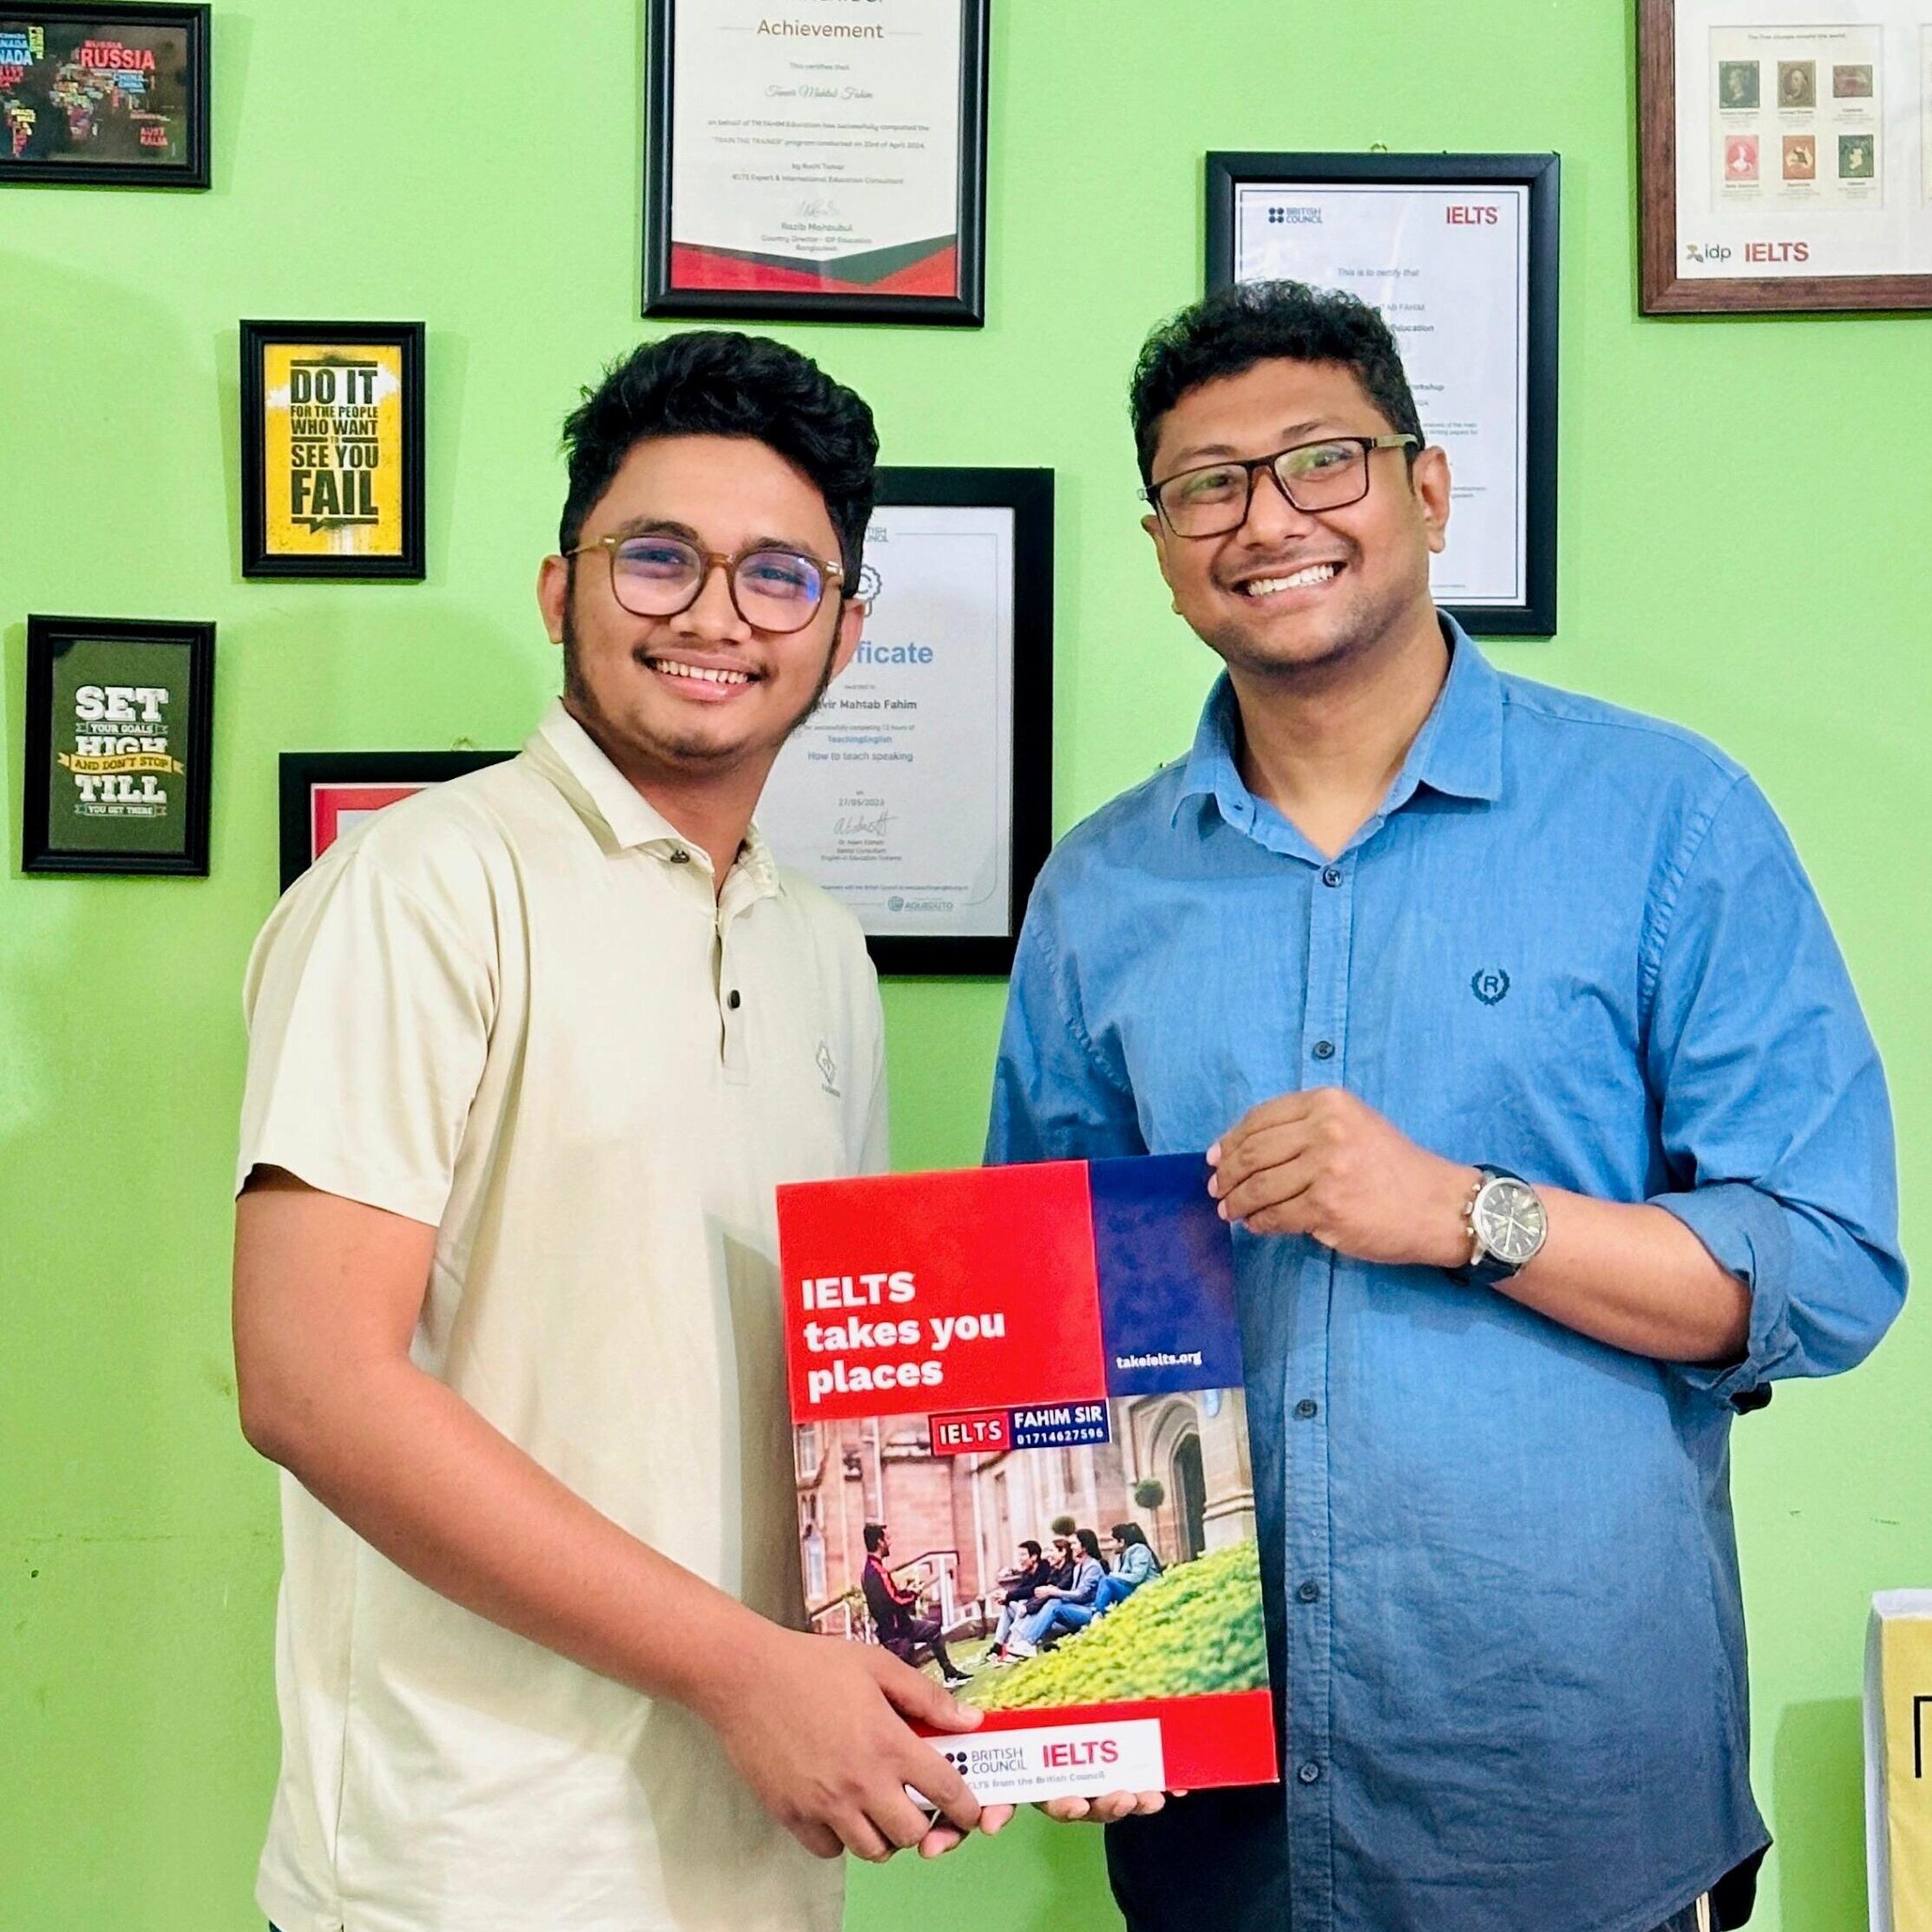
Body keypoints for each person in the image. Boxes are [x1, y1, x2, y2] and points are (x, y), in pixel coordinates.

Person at [981, 280, 1904, 1929]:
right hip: (1224, 1839)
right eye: (1208, 485)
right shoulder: (1100, 891)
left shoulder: (1666, 819)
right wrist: (1065, 1701)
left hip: (1574, 1804)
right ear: (1162, 543)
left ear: (1425, 486)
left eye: (1320, 460)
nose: (1269, 518)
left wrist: (1466, 1212)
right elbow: (1047, 1328)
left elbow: (1826, 1267)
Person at [231, 330, 991, 1932]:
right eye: (658, 556)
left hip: (762, 1858)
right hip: (468, 1867)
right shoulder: (422, 888)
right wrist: (741, 1673)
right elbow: (311, 1382)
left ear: (842, 632)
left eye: (778, 575)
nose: (715, 613)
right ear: (557, 587)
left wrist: (1044, 1707)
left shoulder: (821, 948)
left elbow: (848, 1398)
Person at [860, 1523, 971, 1686]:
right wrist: (913, 1594)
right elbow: (894, 1601)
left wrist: (907, 1591)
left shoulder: (868, 1571)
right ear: (879, 1542)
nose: (890, 1542)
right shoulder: (877, 1572)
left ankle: (950, 1673)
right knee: (906, 1679)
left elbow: (890, 1596)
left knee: (933, 1629)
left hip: (901, 1626)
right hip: (895, 1633)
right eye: (887, 1538)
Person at [1005, 1527, 1106, 1656]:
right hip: (1078, 1609)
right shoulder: (1078, 1567)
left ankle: (1028, 1643)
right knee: (1051, 1602)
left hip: (1090, 1612)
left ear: (1085, 1547)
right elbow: (1073, 1593)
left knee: (1053, 1603)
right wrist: (1054, 1591)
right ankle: (1021, 1642)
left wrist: (1054, 1592)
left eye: (1075, 1543)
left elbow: (1081, 1595)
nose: (1072, 1547)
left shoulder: (1093, 1567)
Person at [986, 1538, 1051, 1657]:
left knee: (1019, 1603)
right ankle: (998, 1644)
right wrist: (1005, 1597)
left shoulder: (1045, 1568)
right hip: (1030, 1610)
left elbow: (1033, 1590)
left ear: (1034, 1557)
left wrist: (1008, 1596)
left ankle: (1015, 1643)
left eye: (1023, 1555)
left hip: (1040, 1613)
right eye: (1019, 1555)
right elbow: (1020, 1590)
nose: (1020, 1559)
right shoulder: (1028, 1573)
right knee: (1009, 1605)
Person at [1090, 1522, 1161, 1614]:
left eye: (1112, 1540)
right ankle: (1100, 1611)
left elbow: (1137, 1577)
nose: (1110, 1544)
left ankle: (1098, 1613)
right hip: (1132, 1590)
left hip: (1145, 1591)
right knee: (1105, 1582)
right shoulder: (1120, 1556)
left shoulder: (1139, 1550)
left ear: (1121, 1542)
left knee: (1107, 1581)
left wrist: (1112, 1575)